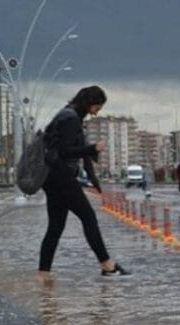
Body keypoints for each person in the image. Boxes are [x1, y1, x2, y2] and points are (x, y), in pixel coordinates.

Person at [38, 85, 131, 280]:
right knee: (88, 217)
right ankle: (107, 265)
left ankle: (43, 273)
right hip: (61, 176)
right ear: (90, 103)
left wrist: (93, 177)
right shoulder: (71, 119)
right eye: (98, 106)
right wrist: (93, 148)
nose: (97, 112)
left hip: (52, 177)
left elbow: (76, 150)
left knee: (55, 226)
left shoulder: (68, 115)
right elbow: (66, 151)